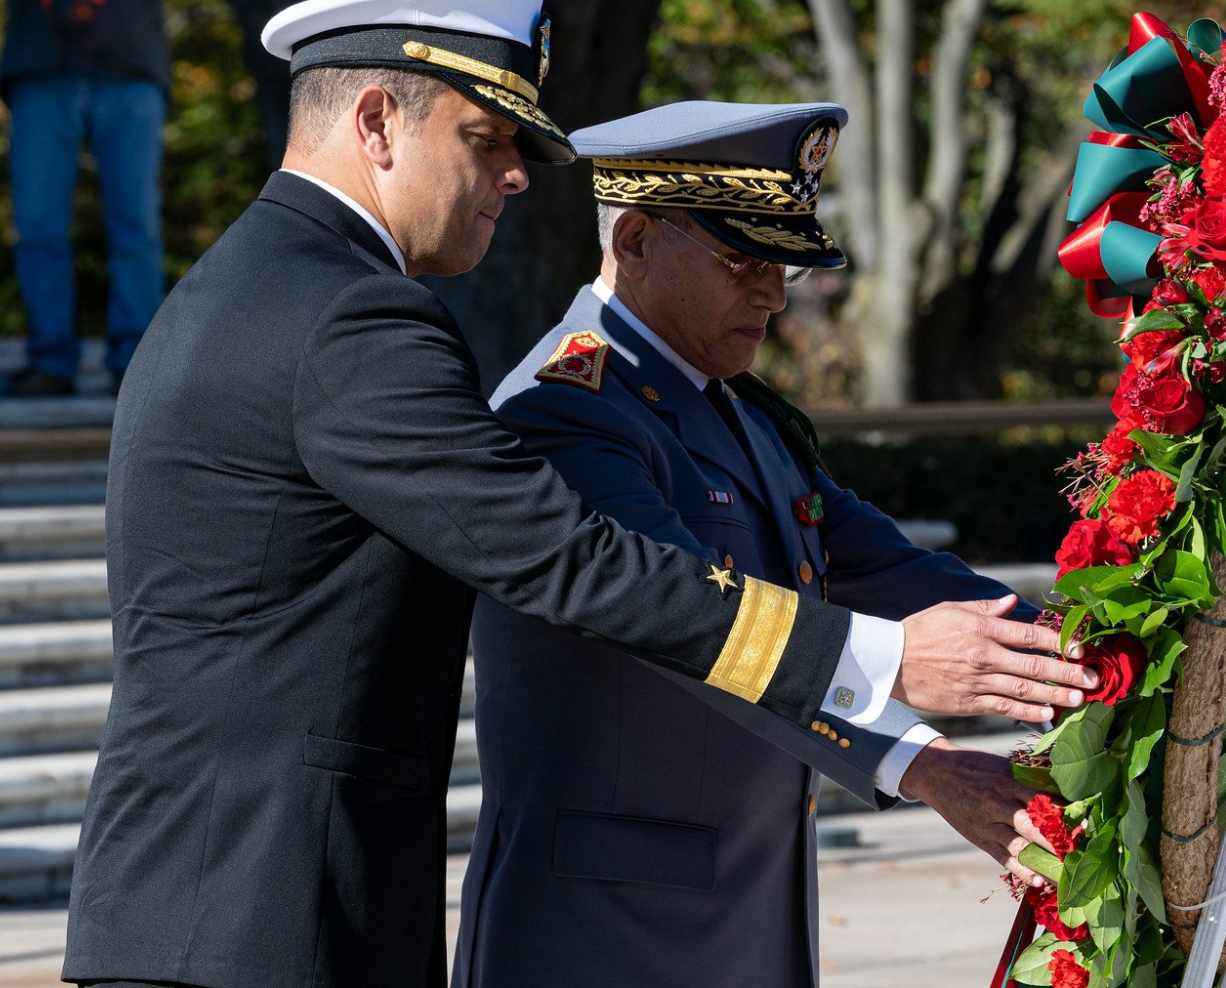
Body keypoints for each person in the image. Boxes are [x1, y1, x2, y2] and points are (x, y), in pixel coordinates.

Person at [61, 0, 1095, 988]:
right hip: (255, 911)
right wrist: (893, 681)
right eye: (486, 138)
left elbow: (870, 560)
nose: (516, 175)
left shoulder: (275, 285)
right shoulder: (354, 317)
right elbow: (572, 562)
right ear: (376, 120)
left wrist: (1092, 653)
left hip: (236, 904)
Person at [453, 101, 1061, 987]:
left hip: (744, 920)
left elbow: (893, 571)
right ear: (634, 242)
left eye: (783, 264)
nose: (775, 293)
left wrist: (1096, 657)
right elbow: (691, 633)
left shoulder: (736, 409)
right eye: (743, 260)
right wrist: (922, 761)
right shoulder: (566, 409)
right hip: (604, 935)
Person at [0, 0, 202, 396]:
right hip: (40, 69)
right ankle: (51, 362)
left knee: (136, 225)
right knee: (37, 224)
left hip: (130, 70)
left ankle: (134, 365)